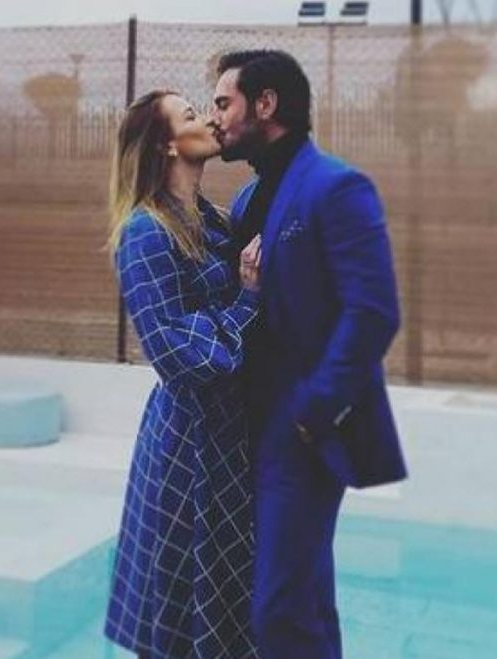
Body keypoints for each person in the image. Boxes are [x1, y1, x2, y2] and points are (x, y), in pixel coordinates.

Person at [210, 50, 408, 659]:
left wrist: (314, 411)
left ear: (265, 104)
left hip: (301, 432)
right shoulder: (246, 201)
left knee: (278, 610)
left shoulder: (337, 187)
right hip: (249, 427)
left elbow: (373, 311)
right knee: (305, 600)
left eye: (224, 103)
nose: (216, 118)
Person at [103, 90, 262, 659]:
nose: (210, 119)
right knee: (180, 614)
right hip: (187, 449)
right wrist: (248, 300)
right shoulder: (145, 233)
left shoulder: (210, 219)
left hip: (227, 442)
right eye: (192, 115)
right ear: (168, 145)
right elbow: (178, 356)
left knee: (227, 608)